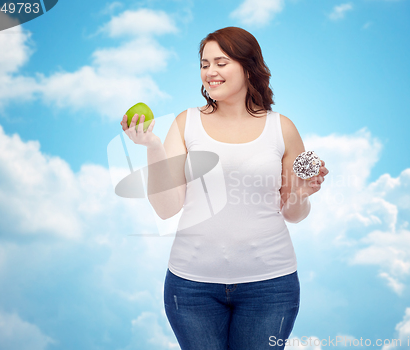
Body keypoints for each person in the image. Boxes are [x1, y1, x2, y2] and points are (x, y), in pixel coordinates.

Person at [120, 26, 329, 350]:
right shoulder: (185, 122)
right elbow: (167, 207)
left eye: (221, 62)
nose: (210, 72)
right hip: (191, 287)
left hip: (271, 286)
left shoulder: (282, 127)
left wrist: (301, 194)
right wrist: (151, 145)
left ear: (248, 67)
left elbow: (293, 214)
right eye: (205, 64)